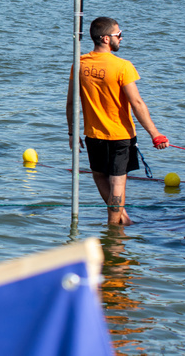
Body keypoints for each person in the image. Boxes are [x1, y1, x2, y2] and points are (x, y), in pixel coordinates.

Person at [66, 17, 168, 225]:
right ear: (105, 38)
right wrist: (155, 134)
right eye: (118, 35)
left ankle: (122, 218)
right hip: (120, 136)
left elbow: (70, 103)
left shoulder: (80, 64)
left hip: (93, 135)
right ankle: (115, 233)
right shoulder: (123, 67)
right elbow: (137, 103)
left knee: (99, 177)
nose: (121, 38)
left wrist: (71, 132)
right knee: (117, 185)